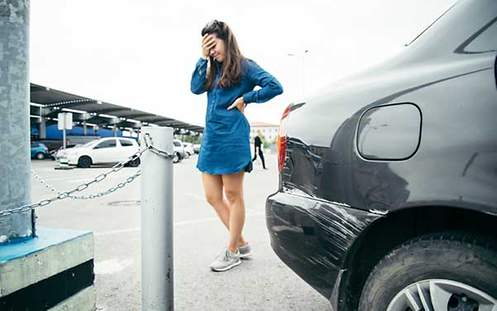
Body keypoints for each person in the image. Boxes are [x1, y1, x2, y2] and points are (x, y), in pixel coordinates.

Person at [190, 20, 283, 272]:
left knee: (233, 195)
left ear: (226, 39)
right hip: (211, 138)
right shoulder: (210, 68)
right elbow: (195, 88)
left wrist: (247, 98)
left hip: (232, 137)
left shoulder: (245, 65)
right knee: (211, 196)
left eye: (214, 44)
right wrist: (203, 59)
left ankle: (232, 251)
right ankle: (241, 242)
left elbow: (275, 86)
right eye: (207, 46)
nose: (212, 51)